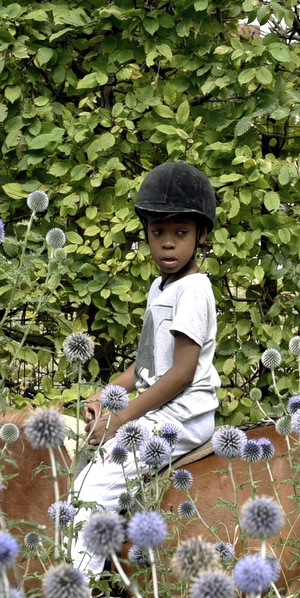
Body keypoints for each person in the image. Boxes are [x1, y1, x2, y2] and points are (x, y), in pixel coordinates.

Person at [69, 162, 222, 575]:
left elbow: (181, 374)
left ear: (201, 234)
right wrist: (106, 393)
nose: (168, 245)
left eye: (181, 233)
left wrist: (119, 419)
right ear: (146, 233)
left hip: (182, 418)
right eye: (158, 233)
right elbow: (150, 364)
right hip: (158, 411)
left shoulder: (194, 290)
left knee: (92, 486)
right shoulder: (161, 287)